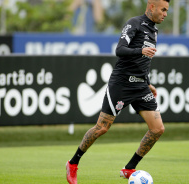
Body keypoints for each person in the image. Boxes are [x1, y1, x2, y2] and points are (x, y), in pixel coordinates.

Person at [66, 0, 170, 183]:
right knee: (102, 128)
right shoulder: (134, 23)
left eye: (167, 11)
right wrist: (141, 50)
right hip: (121, 84)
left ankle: (129, 168)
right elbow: (120, 50)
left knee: (157, 129)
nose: (165, 14)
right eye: (163, 9)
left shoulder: (154, 29)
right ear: (151, 6)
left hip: (140, 86)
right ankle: (73, 163)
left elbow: (144, 62)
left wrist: (148, 83)